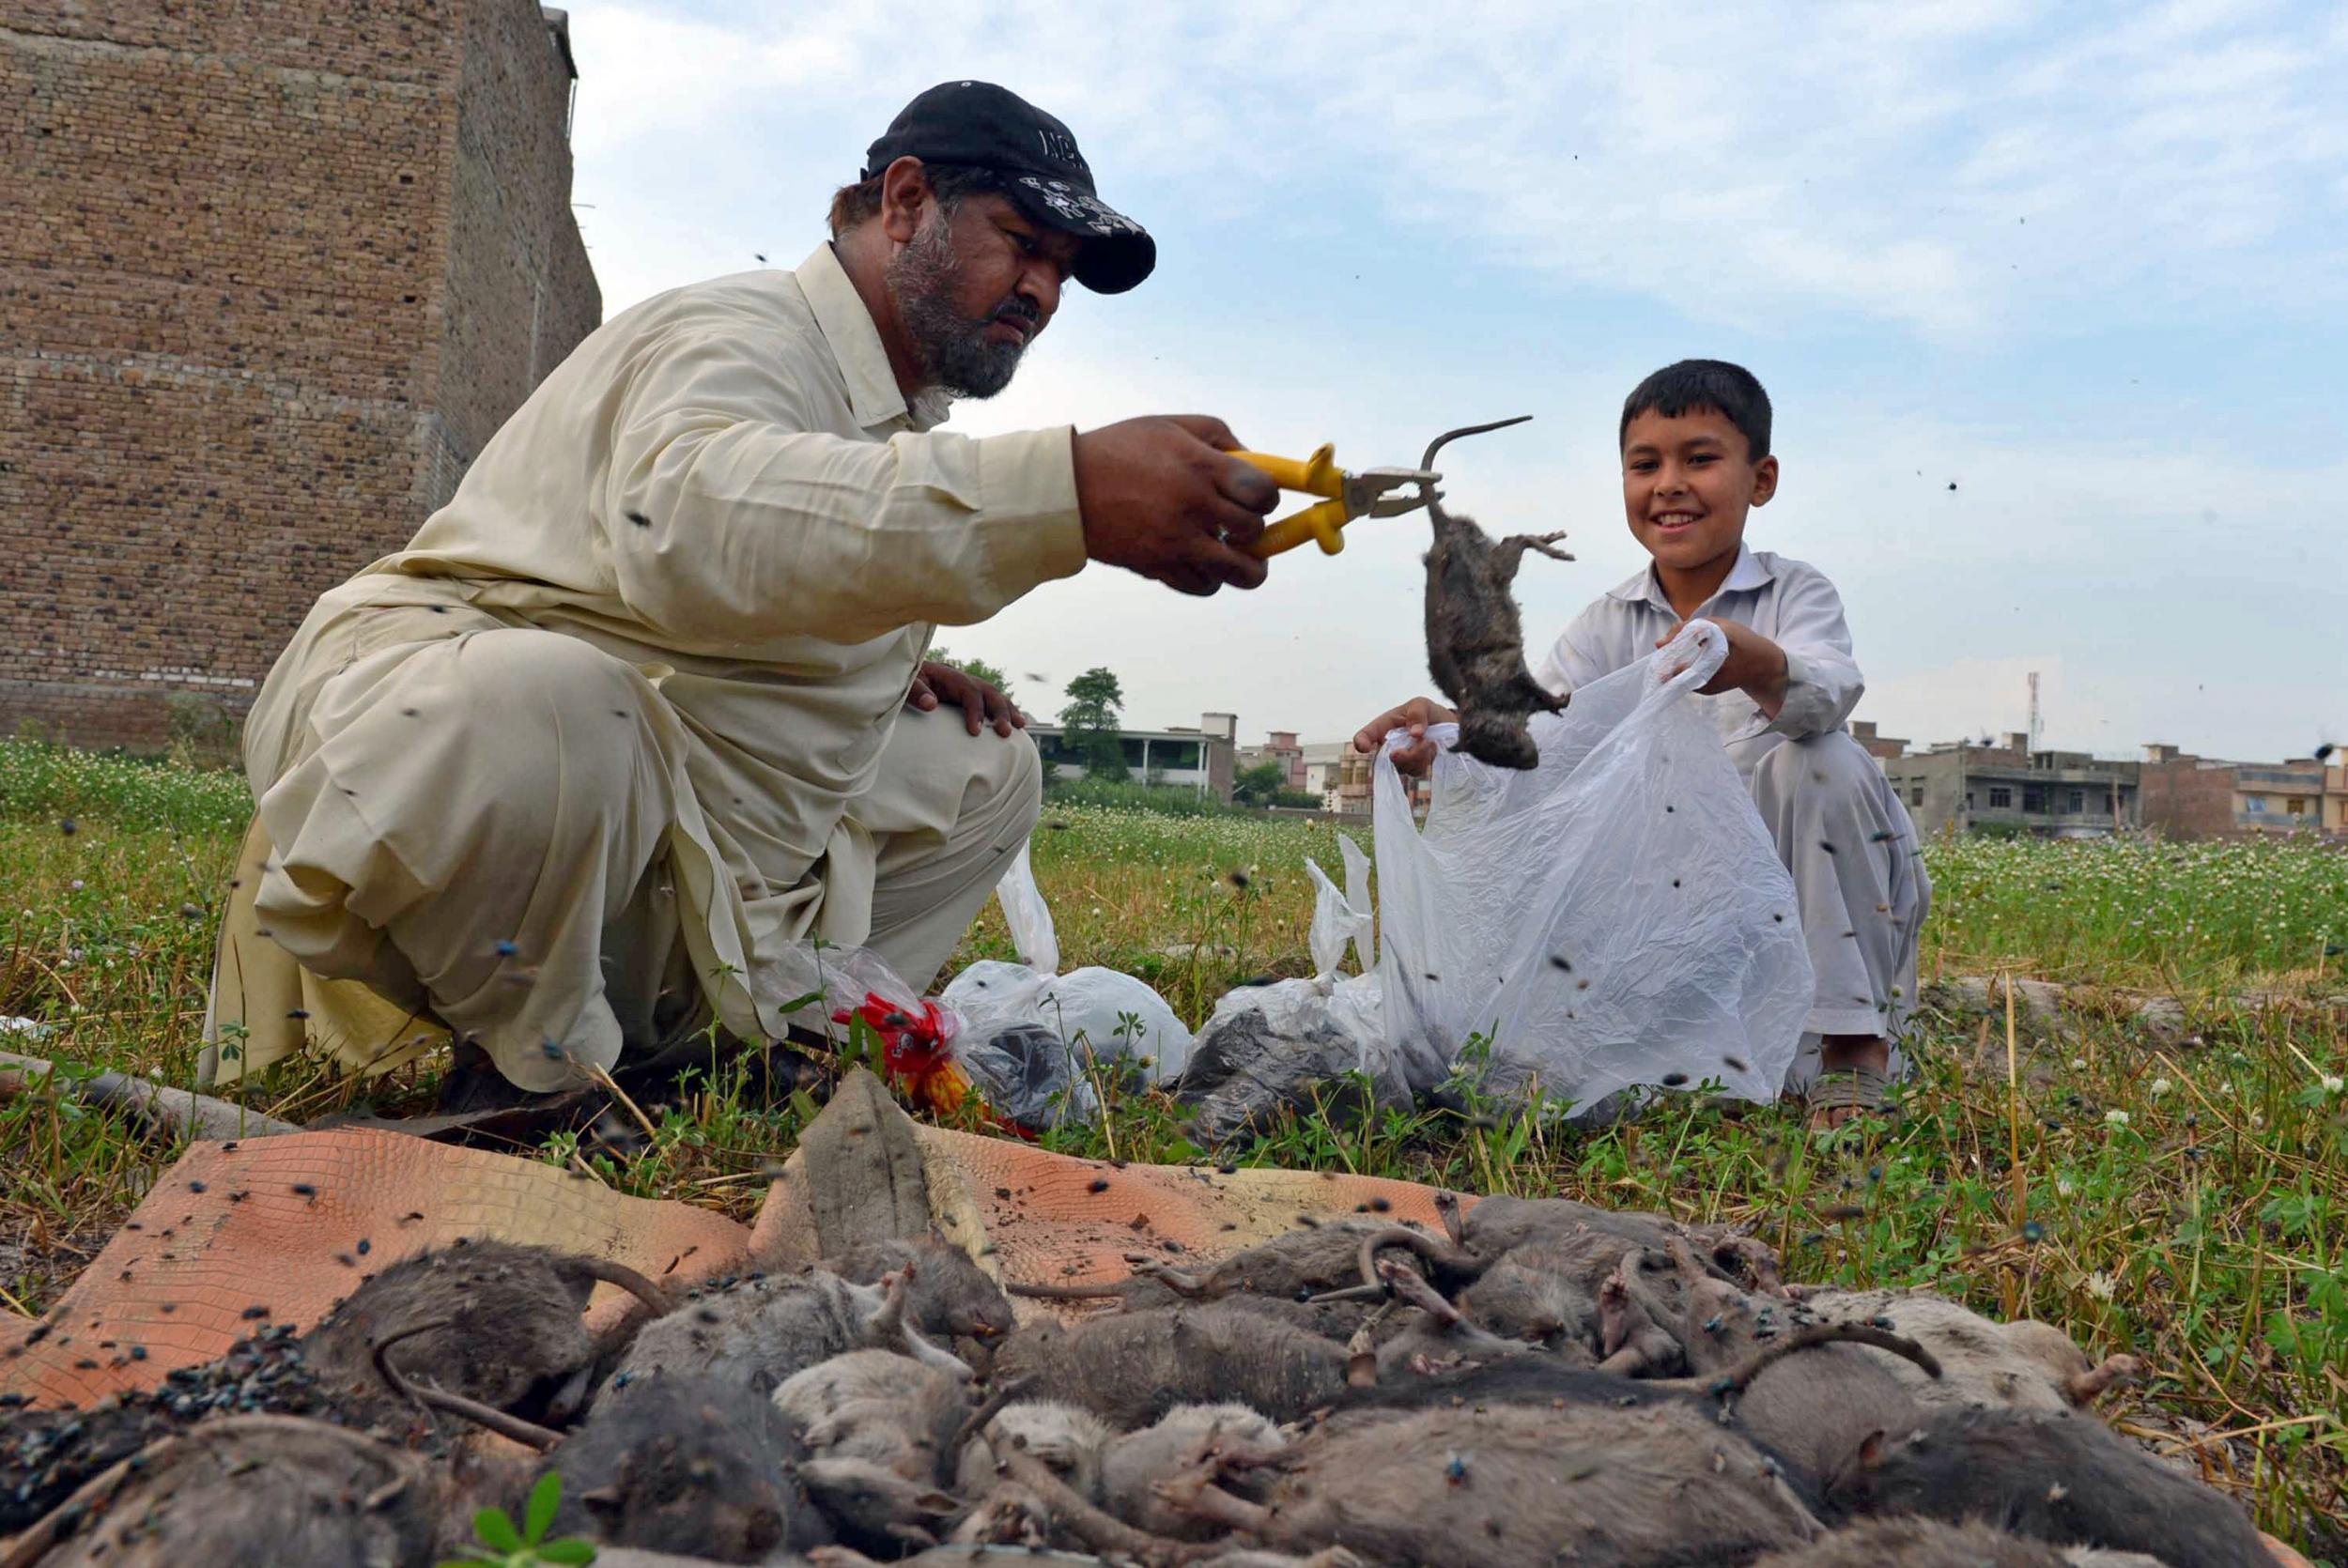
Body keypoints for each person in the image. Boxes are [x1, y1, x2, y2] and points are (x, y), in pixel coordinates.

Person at [199, 81, 1281, 1106]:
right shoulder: (739, 331)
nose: (1042, 292)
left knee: (986, 769)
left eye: (1062, 270)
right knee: (560, 704)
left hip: (661, 802)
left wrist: (880, 655)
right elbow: (689, 524)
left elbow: (782, 554)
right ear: (905, 203)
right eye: (1025, 244)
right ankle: (528, 1072)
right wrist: (1068, 491)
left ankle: (740, 1044)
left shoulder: (891, 413)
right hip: (432, 743)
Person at [1352, 360, 1929, 1127]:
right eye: (1645, 464)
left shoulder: (1794, 593)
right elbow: (1545, 746)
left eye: (1700, 459)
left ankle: (1853, 1047)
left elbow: (1828, 691)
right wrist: (1448, 733)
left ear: (1761, 480)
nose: (1669, 484)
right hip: (1690, 909)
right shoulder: (1608, 622)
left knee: (1823, 762)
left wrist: (1744, 655)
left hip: (1797, 885)